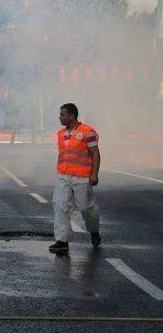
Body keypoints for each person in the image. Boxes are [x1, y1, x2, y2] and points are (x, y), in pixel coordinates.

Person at [49, 103, 101, 254]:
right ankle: (62, 241)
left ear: (71, 116)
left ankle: (94, 230)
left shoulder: (88, 131)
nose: (60, 117)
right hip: (63, 176)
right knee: (60, 206)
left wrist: (94, 174)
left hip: (82, 177)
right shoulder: (60, 133)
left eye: (62, 115)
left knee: (86, 208)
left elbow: (95, 153)